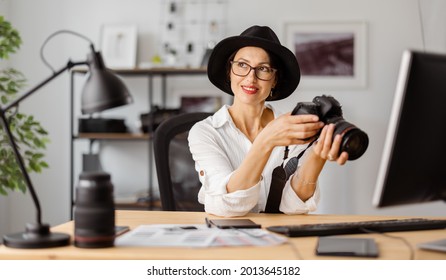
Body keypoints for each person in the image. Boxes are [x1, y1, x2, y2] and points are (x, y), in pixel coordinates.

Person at [188, 25, 348, 217]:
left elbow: (292, 207)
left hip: (279, 236)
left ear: (274, 80)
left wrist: (317, 154)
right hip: (226, 239)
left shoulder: (291, 126)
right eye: (242, 65)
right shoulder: (205, 132)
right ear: (229, 71)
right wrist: (267, 139)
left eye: (263, 69)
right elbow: (227, 207)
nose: (251, 77)